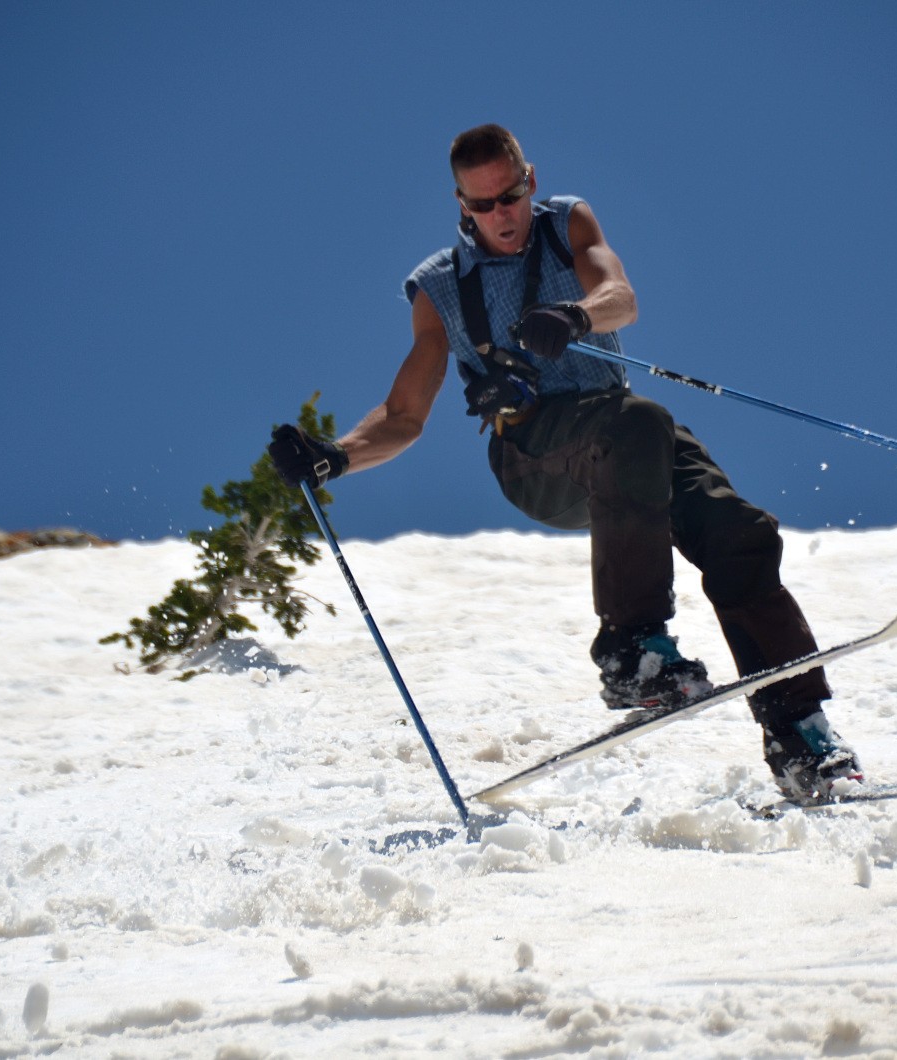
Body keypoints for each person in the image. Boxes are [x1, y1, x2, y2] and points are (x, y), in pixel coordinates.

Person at [269, 123, 859, 801]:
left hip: (627, 437)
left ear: (530, 181)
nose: (502, 216)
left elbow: (621, 296)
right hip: (535, 457)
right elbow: (404, 415)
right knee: (638, 424)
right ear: (461, 204)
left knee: (739, 534)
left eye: (510, 196)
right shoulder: (440, 289)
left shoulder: (564, 225)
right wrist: (335, 458)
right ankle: (631, 648)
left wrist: (578, 317)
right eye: (483, 205)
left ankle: (800, 737)